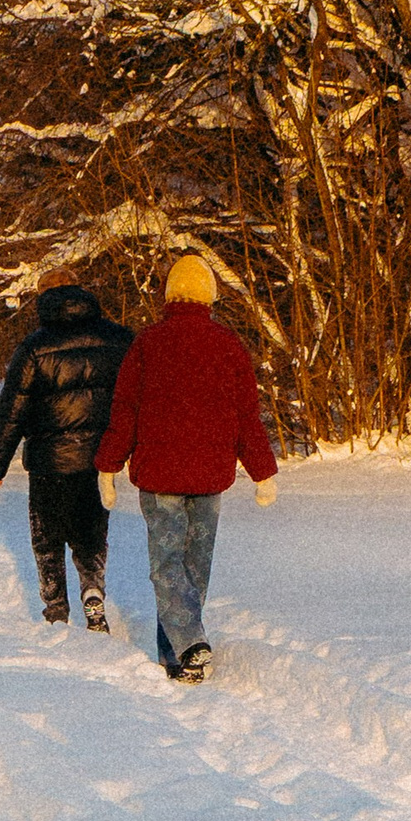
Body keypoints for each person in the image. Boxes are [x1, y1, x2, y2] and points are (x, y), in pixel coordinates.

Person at [94, 251, 277, 683]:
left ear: (170, 294)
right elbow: (247, 415)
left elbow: (125, 410)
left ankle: (186, 646)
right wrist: (263, 471)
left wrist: (108, 465)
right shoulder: (228, 345)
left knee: (167, 565)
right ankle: (180, 654)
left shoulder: (148, 343)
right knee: (194, 567)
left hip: (160, 476)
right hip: (209, 476)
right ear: (209, 295)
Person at [0, 281, 130, 630]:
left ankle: (56, 609)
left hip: (49, 462)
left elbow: (13, 410)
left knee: (47, 539)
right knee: (91, 532)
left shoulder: (35, 347)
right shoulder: (118, 340)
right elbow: (136, 398)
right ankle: (92, 590)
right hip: (99, 458)